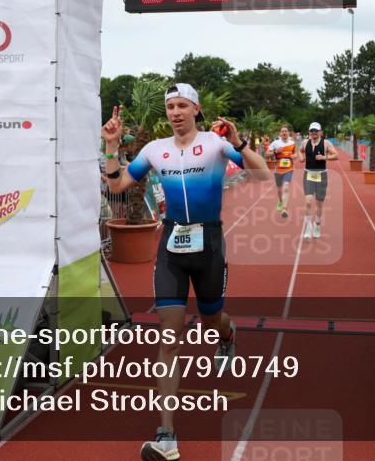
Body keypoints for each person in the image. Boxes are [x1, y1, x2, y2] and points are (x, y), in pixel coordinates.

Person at [101, 83, 268, 461]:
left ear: (196, 108)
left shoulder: (216, 143)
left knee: (212, 319)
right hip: (171, 247)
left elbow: (262, 176)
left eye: (181, 105)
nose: (175, 112)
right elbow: (117, 187)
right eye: (170, 107)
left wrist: (239, 143)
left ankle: (227, 335)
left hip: (208, 243)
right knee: (170, 336)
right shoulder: (153, 150)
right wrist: (112, 148)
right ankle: (166, 435)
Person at [298, 122, 337, 239]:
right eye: (312, 131)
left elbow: (336, 155)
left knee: (319, 204)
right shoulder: (305, 142)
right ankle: (309, 227)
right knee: (308, 202)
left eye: (316, 130)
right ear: (309, 132)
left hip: (321, 175)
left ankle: (318, 225)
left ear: (320, 131)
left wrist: (324, 157)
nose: (313, 133)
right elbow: (300, 151)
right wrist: (301, 158)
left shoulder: (326, 143)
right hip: (308, 174)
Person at [267, 125, 297, 219]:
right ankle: (280, 201)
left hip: (289, 169)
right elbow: (267, 155)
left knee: (286, 187)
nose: (284, 133)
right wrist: (276, 151)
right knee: (280, 189)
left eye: (286, 131)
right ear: (280, 133)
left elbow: (295, 153)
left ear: (288, 133)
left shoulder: (292, 143)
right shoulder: (275, 143)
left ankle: (284, 209)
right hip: (278, 170)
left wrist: (294, 156)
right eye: (282, 131)